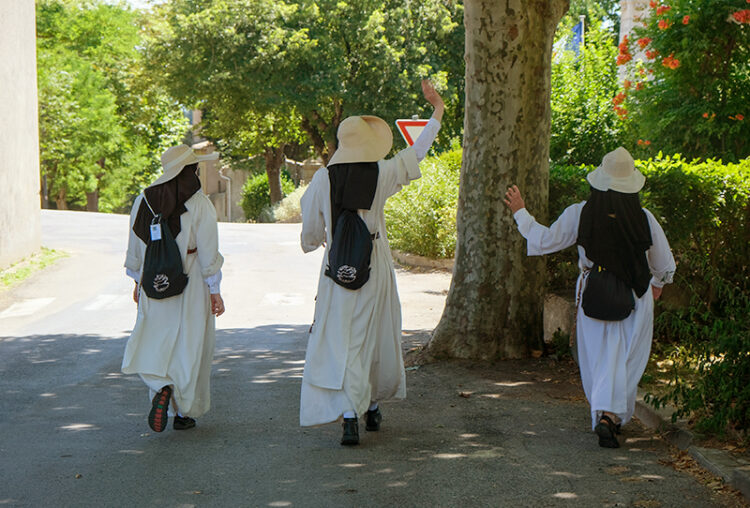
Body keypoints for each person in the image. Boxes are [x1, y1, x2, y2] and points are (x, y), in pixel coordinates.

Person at [299, 80, 445, 445]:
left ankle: (350, 414)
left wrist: (323, 240)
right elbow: (417, 153)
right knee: (375, 333)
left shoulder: (322, 179)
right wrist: (437, 111)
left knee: (342, 338)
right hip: (374, 261)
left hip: (337, 265)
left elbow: (311, 233)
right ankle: (371, 405)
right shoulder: (382, 173)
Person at [503, 147, 676, 448]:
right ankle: (612, 416)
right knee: (626, 359)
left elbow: (545, 240)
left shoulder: (580, 213)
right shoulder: (645, 218)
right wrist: (659, 283)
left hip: (594, 291)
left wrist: (521, 211)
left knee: (598, 358)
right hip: (635, 297)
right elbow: (663, 263)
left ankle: (604, 415)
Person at [122, 144, 226, 432]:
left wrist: (137, 280)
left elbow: (136, 245)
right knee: (189, 344)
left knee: (154, 338)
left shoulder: (143, 200)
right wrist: (214, 290)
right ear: (189, 170)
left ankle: (161, 386)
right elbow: (208, 251)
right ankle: (184, 411)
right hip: (191, 282)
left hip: (154, 282)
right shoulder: (199, 203)